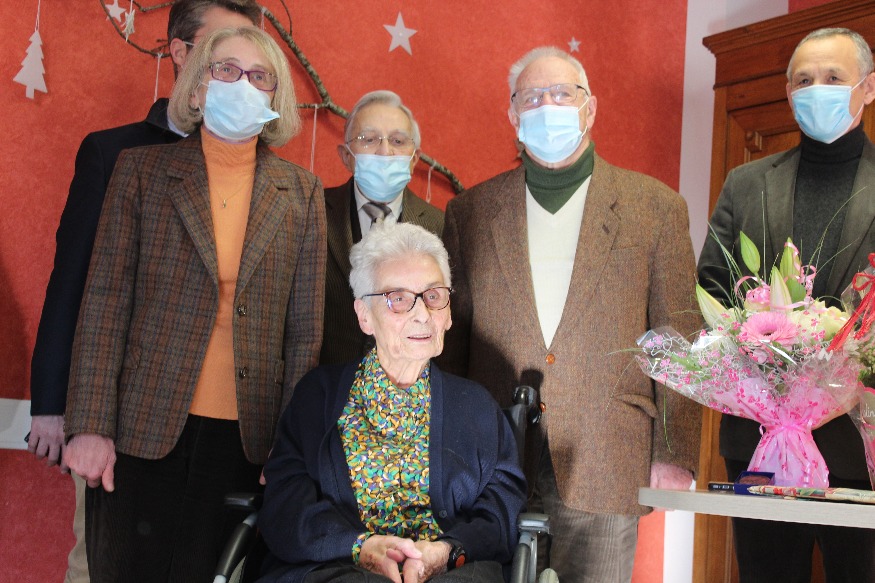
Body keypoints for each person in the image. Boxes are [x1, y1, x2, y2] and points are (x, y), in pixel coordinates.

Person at [61, 26, 325, 582]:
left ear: (275, 98)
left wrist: (290, 446)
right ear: (199, 85)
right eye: (226, 69)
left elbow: (304, 333)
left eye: (259, 76)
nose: (242, 84)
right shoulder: (141, 171)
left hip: (247, 442)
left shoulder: (301, 193)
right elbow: (105, 301)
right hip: (139, 430)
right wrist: (89, 425)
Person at [437, 46, 702, 583]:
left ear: (591, 108)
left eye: (563, 94)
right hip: (491, 458)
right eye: (533, 97)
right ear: (513, 115)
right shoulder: (471, 212)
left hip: (607, 456)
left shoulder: (656, 207)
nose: (548, 106)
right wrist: (443, 447)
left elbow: (679, 336)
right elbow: (450, 342)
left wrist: (676, 452)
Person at [27, 1, 261, 581]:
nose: (239, 74)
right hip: (121, 414)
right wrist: (52, 404)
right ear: (183, 53)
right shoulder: (116, 153)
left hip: (218, 426)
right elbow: (77, 282)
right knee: (99, 563)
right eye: (223, 53)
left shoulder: (265, 170)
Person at [698, 27, 875, 582]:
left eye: (833, 77)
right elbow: (712, 291)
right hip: (760, 442)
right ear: (788, 92)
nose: (816, 89)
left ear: (868, 88)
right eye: (803, 80)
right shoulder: (746, 182)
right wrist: (753, 339)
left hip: (863, 444)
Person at [258, 222, 527, 583]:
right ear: (364, 316)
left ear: (448, 313)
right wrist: (359, 546)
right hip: (338, 568)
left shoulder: (477, 406)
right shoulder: (317, 396)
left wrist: (446, 552)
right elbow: (285, 506)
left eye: (433, 296)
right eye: (397, 299)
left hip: (450, 573)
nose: (422, 314)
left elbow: (502, 512)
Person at [321, 90, 443, 365]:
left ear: (414, 158)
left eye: (398, 141)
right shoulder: (313, 212)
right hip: (327, 380)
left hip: (410, 384)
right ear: (346, 156)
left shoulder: (441, 225)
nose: (385, 152)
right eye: (369, 139)